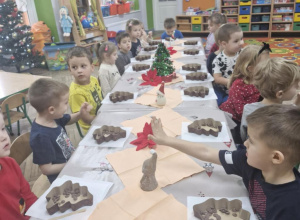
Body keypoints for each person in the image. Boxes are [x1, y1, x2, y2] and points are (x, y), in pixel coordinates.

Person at [149, 104, 300, 219]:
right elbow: (207, 152)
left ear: (275, 158)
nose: (244, 144)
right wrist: (167, 140)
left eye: (252, 142)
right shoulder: (247, 161)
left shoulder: (291, 205)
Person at [29, 78, 90, 183]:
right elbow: (46, 169)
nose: (68, 105)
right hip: (63, 178)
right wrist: (72, 164)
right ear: (51, 109)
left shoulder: (53, 117)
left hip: (72, 164)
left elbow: (70, 119)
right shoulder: (40, 137)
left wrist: (80, 113)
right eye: (66, 103)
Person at [219, 44, 270, 144]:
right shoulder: (239, 85)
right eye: (265, 65)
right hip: (234, 119)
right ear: (250, 68)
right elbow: (240, 112)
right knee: (237, 140)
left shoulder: (262, 79)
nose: (269, 67)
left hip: (250, 114)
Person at [240, 57, 300, 142]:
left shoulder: (248, 108)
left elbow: (243, 137)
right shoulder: (284, 117)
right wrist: (296, 110)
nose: (298, 87)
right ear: (280, 94)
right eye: (295, 85)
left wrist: (295, 106)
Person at [0, 112, 37, 220]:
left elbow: (28, 197)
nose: (3, 137)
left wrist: (41, 213)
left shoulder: (11, 164)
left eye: (2, 128)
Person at [66, 46, 103, 134]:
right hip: (92, 129)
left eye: (83, 66)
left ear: (92, 67)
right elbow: (85, 118)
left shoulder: (93, 80)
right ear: (70, 70)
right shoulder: (76, 93)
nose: (79, 71)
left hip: (101, 115)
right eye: (74, 67)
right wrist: (102, 119)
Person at [212, 23, 244, 106]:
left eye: (241, 39)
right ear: (224, 44)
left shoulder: (243, 54)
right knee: (215, 103)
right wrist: (231, 82)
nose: (241, 43)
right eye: (236, 41)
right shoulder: (218, 59)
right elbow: (217, 78)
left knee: (232, 104)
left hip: (239, 89)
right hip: (221, 89)